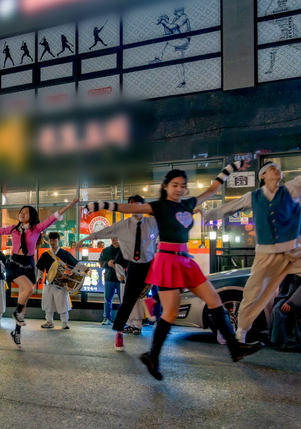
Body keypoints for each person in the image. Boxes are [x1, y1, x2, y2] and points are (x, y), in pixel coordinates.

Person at [84, 161, 264, 380]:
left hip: (186, 261)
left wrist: (231, 168)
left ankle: (234, 348)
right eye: (175, 184)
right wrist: (100, 204)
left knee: (215, 299)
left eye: (183, 185)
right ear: (166, 186)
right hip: (167, 261)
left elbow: (211, 190)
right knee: (170, 312)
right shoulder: (159, 206)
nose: (179, 188)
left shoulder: (187, 204)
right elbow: (131, 208)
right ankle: (153, 356)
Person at [204, 135, 301, 346]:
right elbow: (226, 208)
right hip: (267, 255)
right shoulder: (253, 197)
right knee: (253, 294)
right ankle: (240, 334)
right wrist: (204, 214)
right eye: (273, 168)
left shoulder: (290, 190)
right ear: (263, 175)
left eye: (279, 168)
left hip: (293, 252)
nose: (278, 170)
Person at [0, 199, 79, 348]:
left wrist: (67, 207)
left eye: (26, 212)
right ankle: (16, 313)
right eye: (21, 212)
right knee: (29, 289)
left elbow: (52, 218)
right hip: (15, 264)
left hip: (29, 264)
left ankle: (17, 332)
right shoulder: (14, 229)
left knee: (23, 298)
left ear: (32, 216)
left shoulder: (36, 229)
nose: (23, 214)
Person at [78, 195, 159, 350]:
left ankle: (152, 303)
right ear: (128, 209)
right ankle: (119, 333)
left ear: (144, 206)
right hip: (134, 266)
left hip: (150, 264)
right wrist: (86, 239)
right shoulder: (123, 225)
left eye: (138, 205)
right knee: (127, 302)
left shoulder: (152, 222)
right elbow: (105, 232)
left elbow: (170, 220)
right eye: (132, 206)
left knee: (168, 285)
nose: (135, 208)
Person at [37, 232, 77, 329]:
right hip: (49, 281)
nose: (52, 242)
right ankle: (49, 321)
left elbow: (74, 265)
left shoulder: (64, 253)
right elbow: (40, 268)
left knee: (62, 302)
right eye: (51, 240)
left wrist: (68, 275)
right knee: (48, 302)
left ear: (59, 240)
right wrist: (39, 277)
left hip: (60, 282)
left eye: (54, 240)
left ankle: (65, 322)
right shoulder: (45, 254)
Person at [96, 237, 126, 326]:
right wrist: (107, 264)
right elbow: (100, 262)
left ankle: (123, 318)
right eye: (112, 237)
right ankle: (107, 317)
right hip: (109, 277)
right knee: (107, 299)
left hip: (122, 278)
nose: (113, 239)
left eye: (116, 237)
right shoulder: (106, 250)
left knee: (123, 300)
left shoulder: (125, 249)